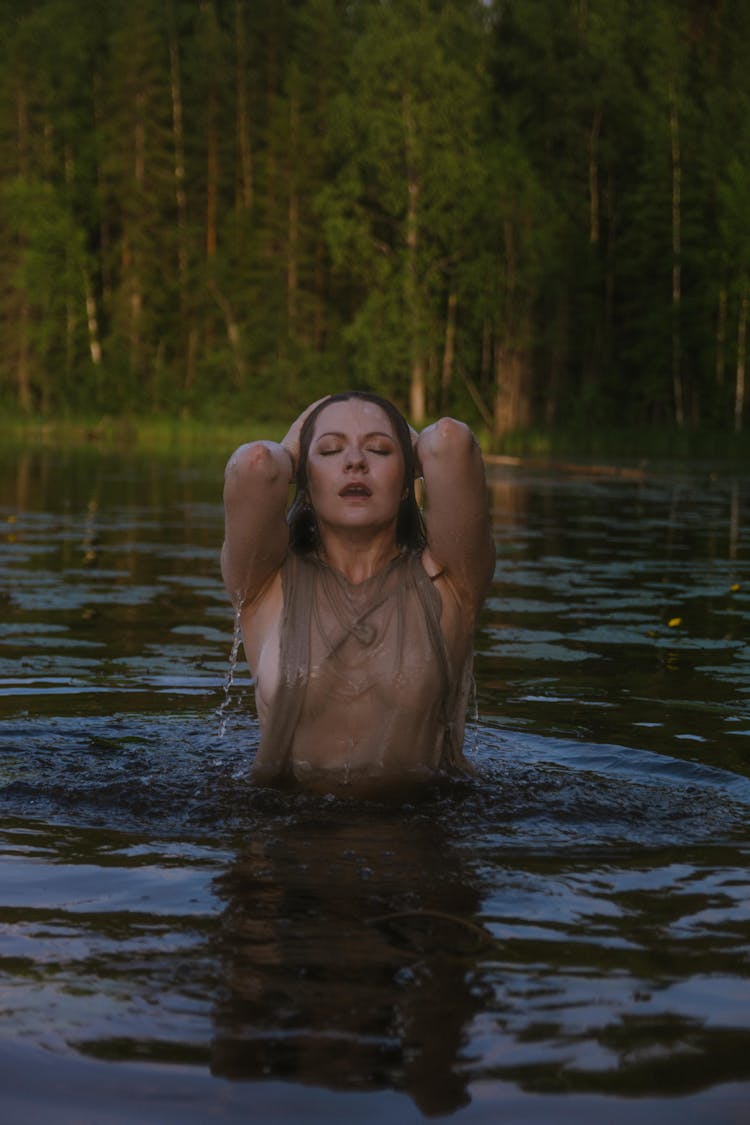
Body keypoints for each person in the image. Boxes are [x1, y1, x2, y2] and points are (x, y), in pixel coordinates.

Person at [221, 391, 495, 794]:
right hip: (284, 836)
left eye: (379, 450)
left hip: (419, 837)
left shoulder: (453, 580)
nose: (354, 462)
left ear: (407, 483)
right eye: (330, 450)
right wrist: (296, 445)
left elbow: (451, 442)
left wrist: (399, 443)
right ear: (305, 484)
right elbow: (255, 465)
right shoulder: (265, 583)